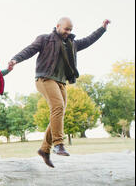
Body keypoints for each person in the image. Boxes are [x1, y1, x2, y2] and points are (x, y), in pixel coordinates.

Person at [8, 18, 111, 168]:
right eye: (65, 29)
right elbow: (30, 49)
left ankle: (44, 149)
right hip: (45, 78)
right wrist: (15, 59)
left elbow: (89, 40)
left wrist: (102, 28)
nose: (68, 32)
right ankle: (58, 144)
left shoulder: (72, 44)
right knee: (57, 106)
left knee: (59, 112)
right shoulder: (45, 39)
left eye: (70, 30)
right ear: (57, 26)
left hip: (61, 82)